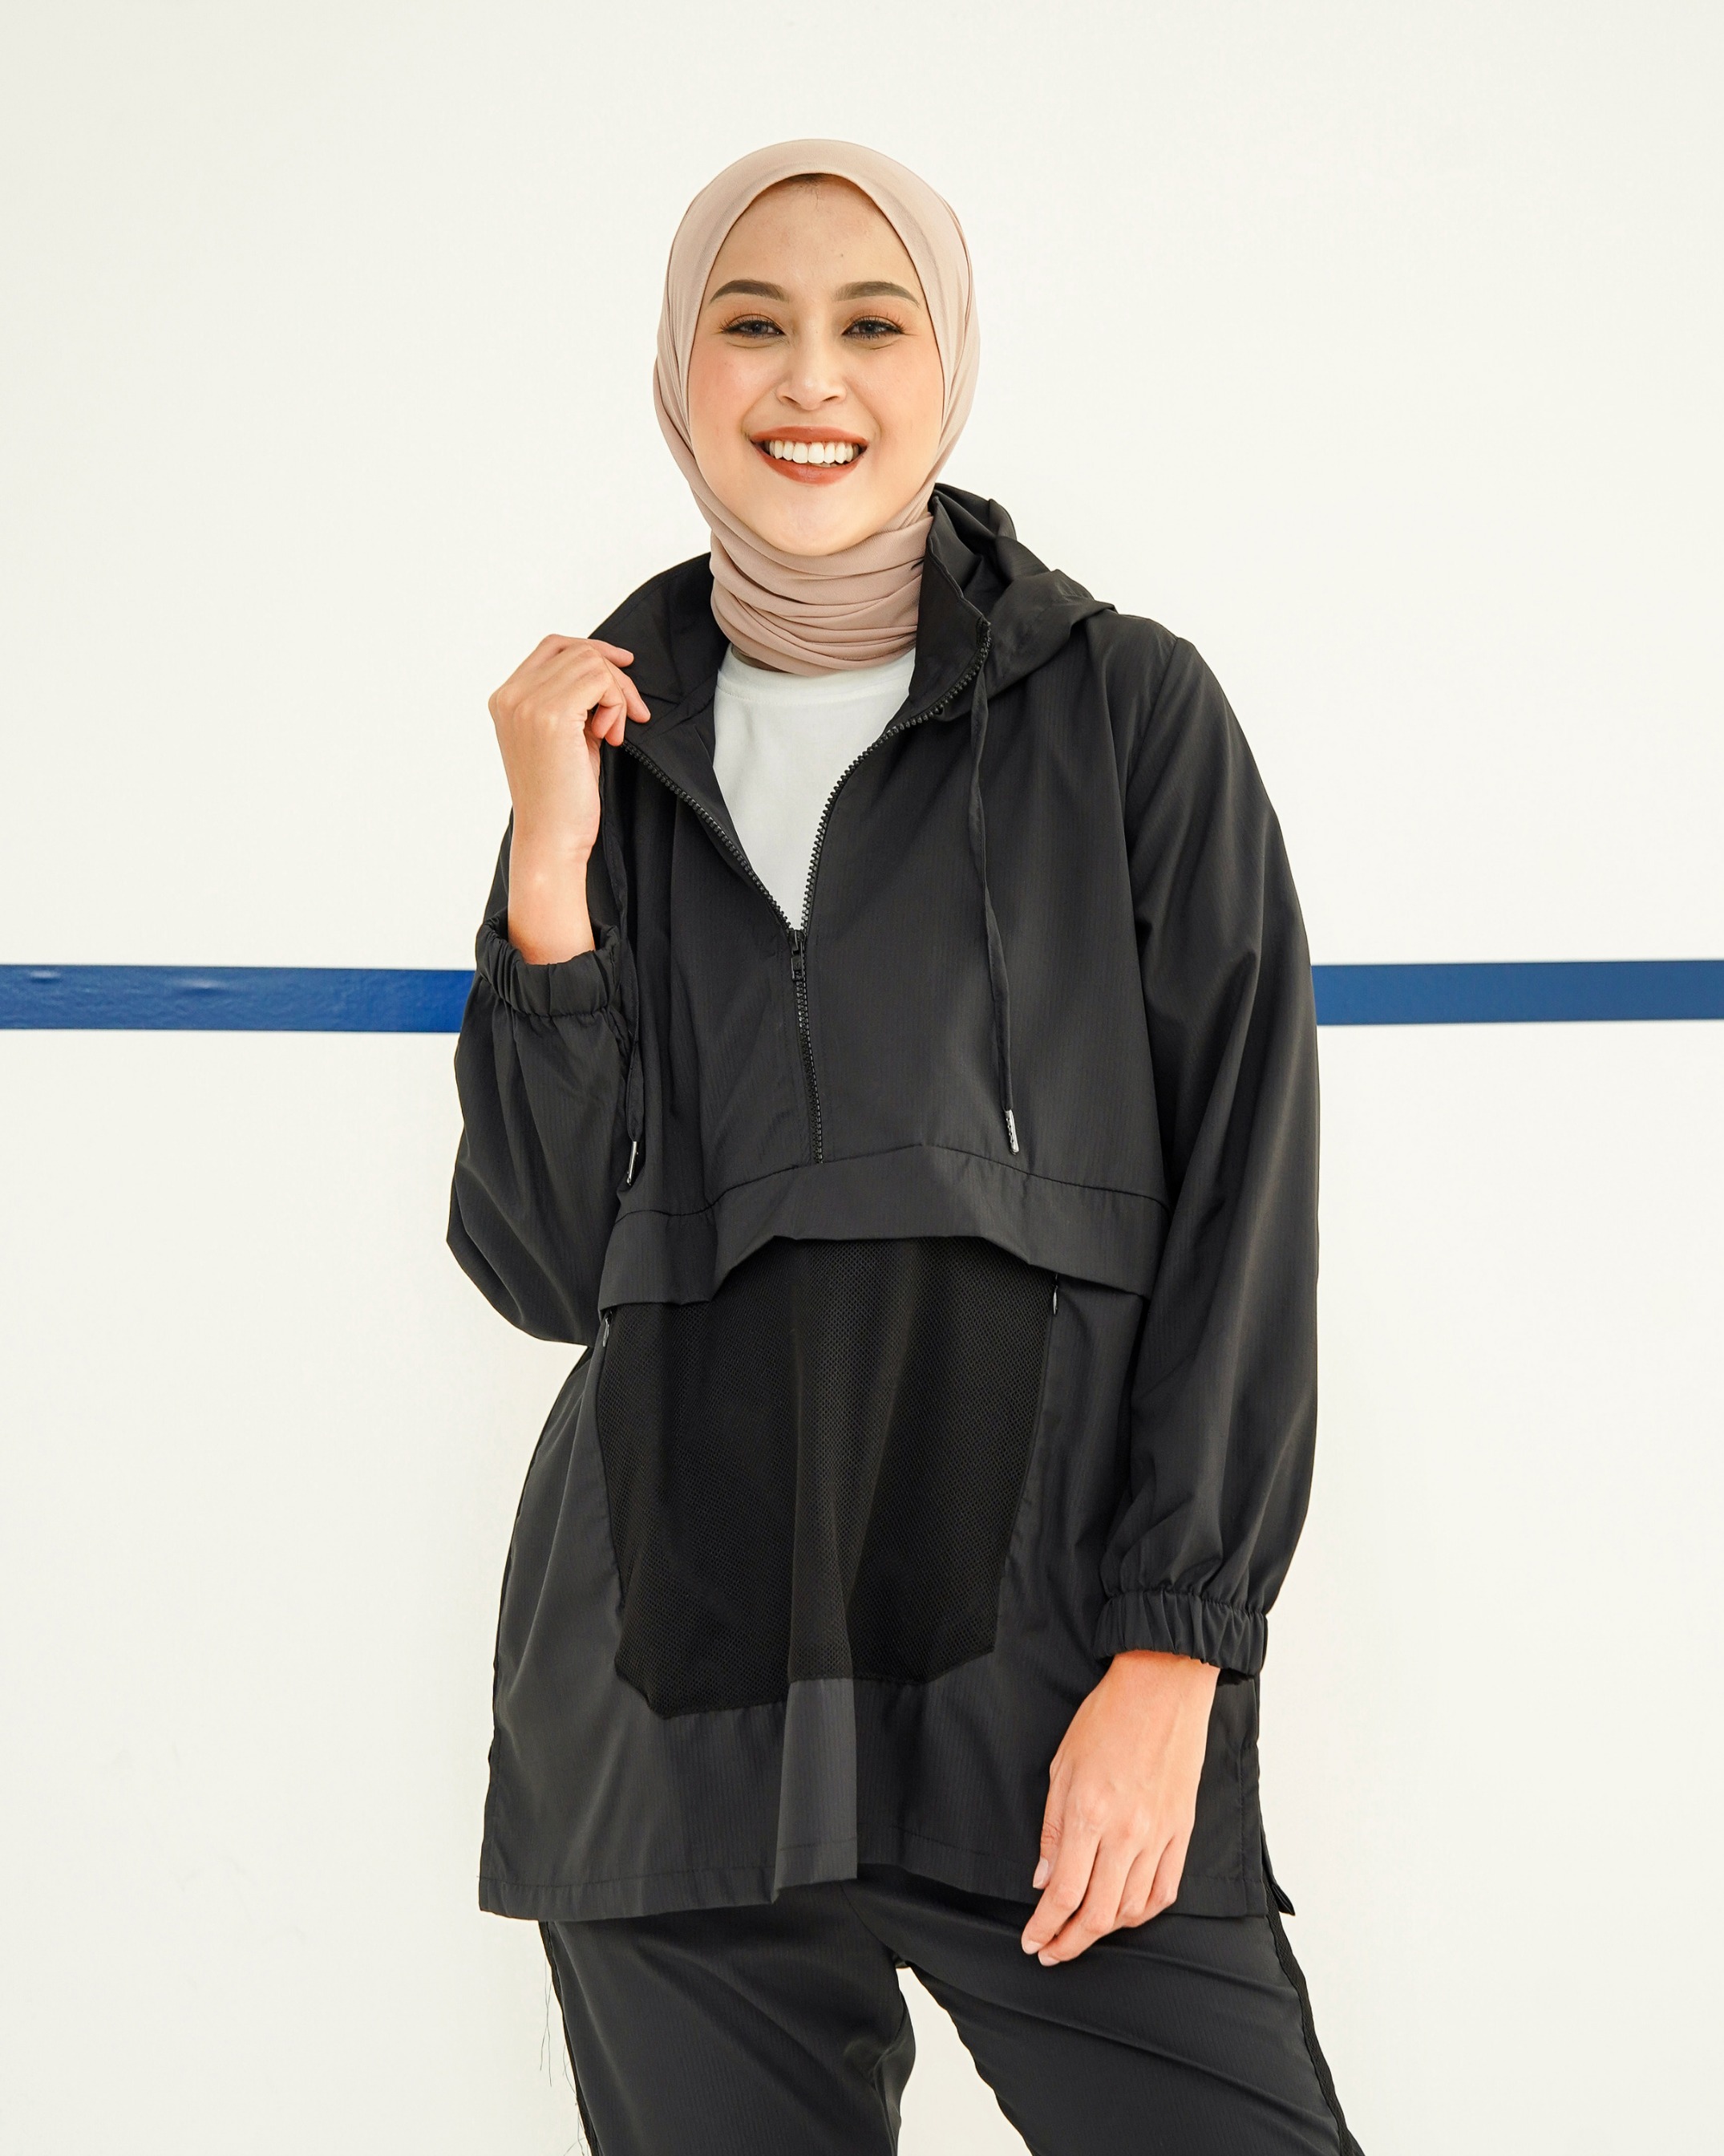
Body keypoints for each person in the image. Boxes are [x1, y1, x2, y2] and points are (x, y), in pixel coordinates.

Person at [449, 140, 1358, 2155]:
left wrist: (1178, 1652)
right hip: (674, 1731)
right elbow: (539, 1264)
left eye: (872, 323)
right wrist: (547, 872)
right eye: (750, 321)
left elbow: (1244, 1203)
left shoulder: (1126, 714)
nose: (810, 378)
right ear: (675, 369)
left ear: (950, 366)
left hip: (1042, 1698)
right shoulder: (595, 758)